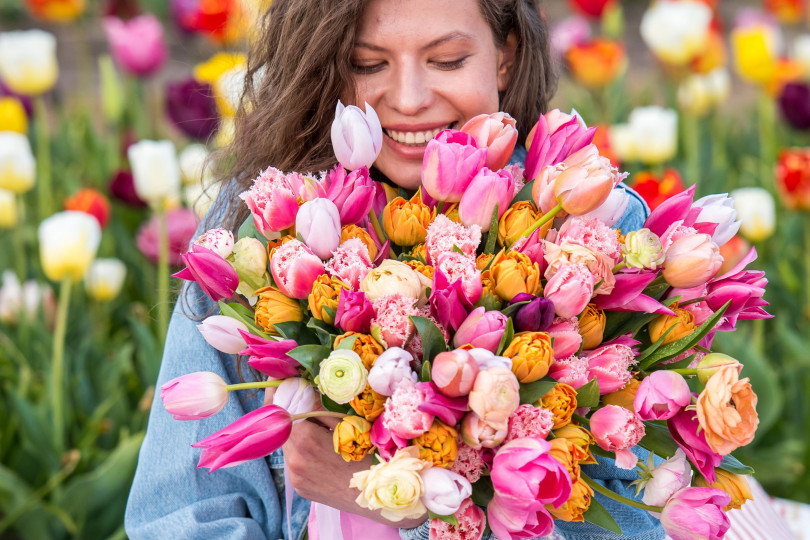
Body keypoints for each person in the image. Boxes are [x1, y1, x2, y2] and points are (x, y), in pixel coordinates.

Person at [124, 0, 652, 539]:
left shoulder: (587, 232)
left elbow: (631, 528)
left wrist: (406, 504)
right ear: (324, 61)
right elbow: (181, 519)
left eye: (446, 60)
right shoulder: (263, 218)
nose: (407, 100)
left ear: (505, 57)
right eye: (367, 64)